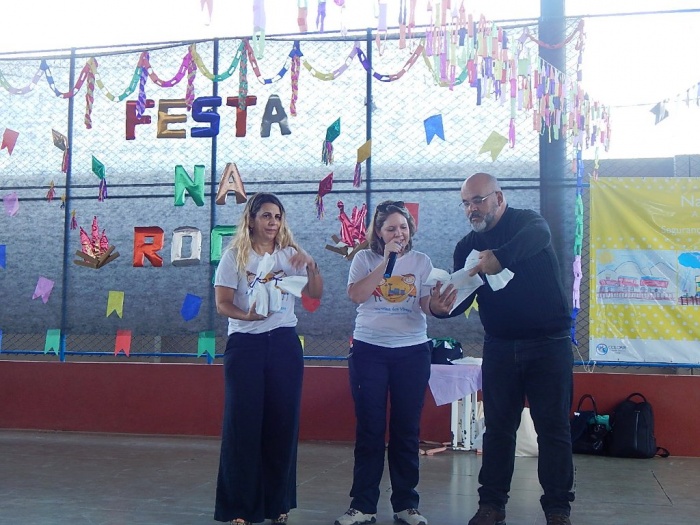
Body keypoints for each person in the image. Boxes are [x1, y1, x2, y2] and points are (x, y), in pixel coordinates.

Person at [429, 173, 575, 525]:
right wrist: (440, 307)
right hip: (500, 346)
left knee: (553, 429)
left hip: (548, 344)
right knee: (497, 430)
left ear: (499, 197)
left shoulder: (527, 223)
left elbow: (539, 237)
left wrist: (501, 258)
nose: (472, 209)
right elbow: (461, 299)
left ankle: (557, 509)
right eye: (466, 203)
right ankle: (491, 505)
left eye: (478, 200)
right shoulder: (466, 246)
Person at [213, 192, 323, 525]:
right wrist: (246, 316)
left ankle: (278, 504)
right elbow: (222, 303)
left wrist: (311, 265)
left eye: (277, 217)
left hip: (284, 344)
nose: (273, 222)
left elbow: (315, 294)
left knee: (282, 424)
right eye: (266, 216)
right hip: (246, 345)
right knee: (243, 425)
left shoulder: (289, 255)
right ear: (251, 219)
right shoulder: (234, 256)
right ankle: (240, 507)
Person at [335, 200, 433, 525]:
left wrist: (442, 303)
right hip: (370, 351)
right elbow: (356, 295)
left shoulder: (422, 261)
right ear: (379, 232)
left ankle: (406, 504)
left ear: (410, 230)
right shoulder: (364, 258)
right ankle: (363, 506)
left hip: (412, 352)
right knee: (370, 429)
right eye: (391, 228)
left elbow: (426, 304)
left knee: (407, 429)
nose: (398, 233)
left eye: (403, 227)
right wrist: (387, 262)